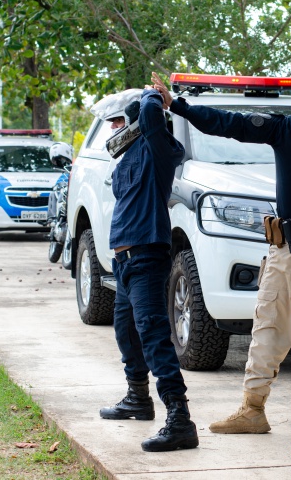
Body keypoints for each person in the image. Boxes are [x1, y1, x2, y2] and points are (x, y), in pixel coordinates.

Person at [152, 71, 291, 435]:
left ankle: (253, 410)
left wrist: (177, 105)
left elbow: (226, 124)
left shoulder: (288, 129)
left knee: (270, 327)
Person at [94, 86, 199, 453]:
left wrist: (151, 95)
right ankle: (138, 399)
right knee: (126, 332)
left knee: (153, 336)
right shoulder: (125, 158)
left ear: (136, 121)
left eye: (118, 122)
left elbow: (154, 118)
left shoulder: (157, 150)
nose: (112, 130)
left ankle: (180, 419)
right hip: (124, 262)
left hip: (145, 258)